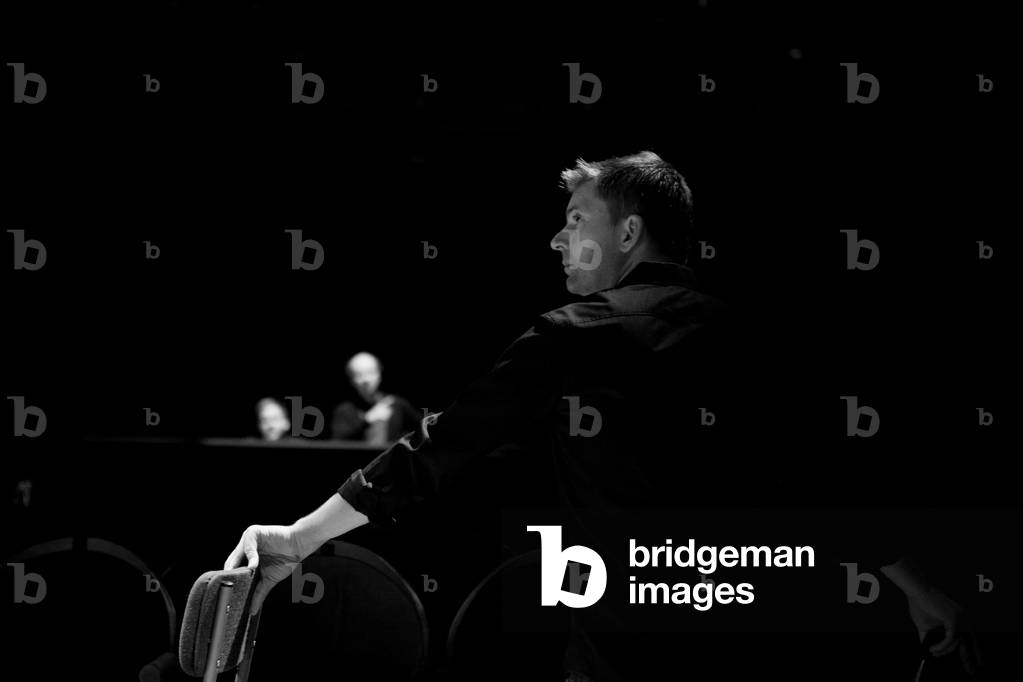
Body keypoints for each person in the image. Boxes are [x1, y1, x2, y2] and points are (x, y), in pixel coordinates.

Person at [226, 152, 979, 680]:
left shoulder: (575, 332)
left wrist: (298, 537)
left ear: (626, 232)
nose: (558, 236)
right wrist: (919, 590)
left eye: (575, 217)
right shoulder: (750, 333)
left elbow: (436, 449)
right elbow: (824, 481)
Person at [330, 352, 420, 445]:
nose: (366, 380)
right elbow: (337, 442)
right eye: (358, 375)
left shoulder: (397, 404)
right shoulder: (344, 409)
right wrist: (367, 419)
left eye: (370, 372)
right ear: (351, 380)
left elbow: (421, 429)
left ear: (379, 374)